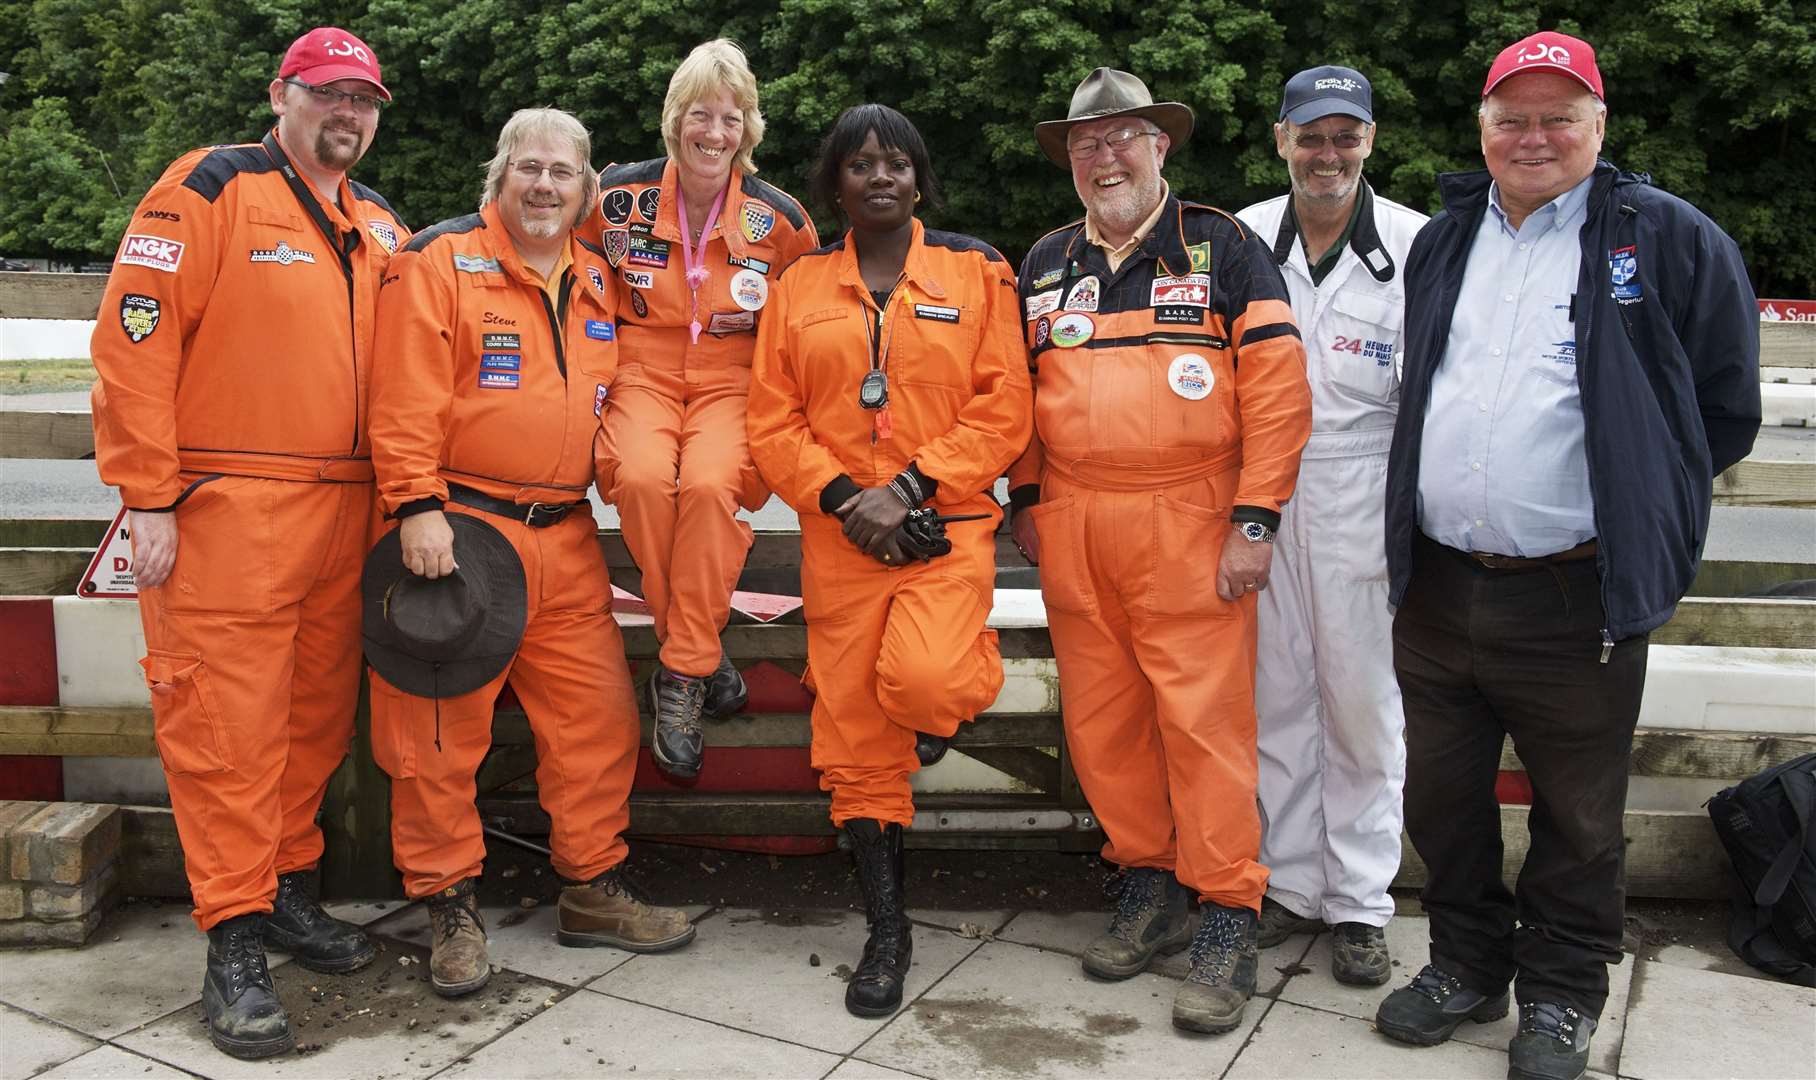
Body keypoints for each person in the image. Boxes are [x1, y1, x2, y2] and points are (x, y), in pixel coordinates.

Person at [1375, 32, 1760, 1080]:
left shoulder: (1668, 239)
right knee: (1438, 802)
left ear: (1599, 126)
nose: (1532, 136)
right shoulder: (1447, 236)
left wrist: (1641, 511)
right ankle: (1462, 965)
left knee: (1579, 818)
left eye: (1557, 117)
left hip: (1575, 591)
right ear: (1483, 129)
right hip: (1440, 582)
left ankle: (1559, 993)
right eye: (1512, 117)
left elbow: (1721, 413)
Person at [87, 27, 406, 1060]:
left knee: (312, 725)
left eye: (363, 100)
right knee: (224, 731)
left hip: (346, 514)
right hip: (226, 511)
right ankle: (231, 940)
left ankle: (285, 892)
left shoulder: (381, 223)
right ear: (283, 93)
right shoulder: (211, 187)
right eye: (328, 93)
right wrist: (148, 493)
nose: (346, 113)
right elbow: (133, 339)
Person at [1007, 68, 1312, 1034]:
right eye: (1087, 144)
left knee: (1204, 726)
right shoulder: (1046, 260)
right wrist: (1024, 497)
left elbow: (1277, 393)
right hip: (1077, 522)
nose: (1106, 157)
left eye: (1124, 138)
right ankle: (1150, 884)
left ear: (1160, 147)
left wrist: (1255, 520)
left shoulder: (1223, 246)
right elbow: (1014, 396)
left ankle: (1228, 909)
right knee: (1103, 724)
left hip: (1192, 521)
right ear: (1071, 160)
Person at [367, 108, 696, 1002]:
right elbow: (400, 398)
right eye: (529, 168)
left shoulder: (598, 278)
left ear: (588, 188)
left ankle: (590, 888)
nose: (545, 185)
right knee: (436, 736)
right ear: (499, 177)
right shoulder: (439, 261)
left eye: (563, 171)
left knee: (595, 723)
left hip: (566, 538)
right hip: (457, 534)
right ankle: (449, 905)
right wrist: (415, 505)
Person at [748, 103, 1032, 1018]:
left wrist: (909, 490)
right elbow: (771, 418)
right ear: (835, 181)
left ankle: (946, 701)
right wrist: (845, 501)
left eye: (897, 163)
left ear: (919, 179)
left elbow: (1003, 407)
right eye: (861, 163)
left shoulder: (976, 269)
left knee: (924, 681)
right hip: (841, 540)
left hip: (944, 531)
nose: (880, 177)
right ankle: (888, 926)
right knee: (857, 739)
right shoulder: (797, 286)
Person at [1235, 66, 1427, 985]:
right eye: (1310, 136)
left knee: (1361, 703)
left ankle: (1359, 900)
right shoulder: (1235, 239)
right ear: (1281, 140)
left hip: (1364, 485)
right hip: (1259, 491)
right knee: (1275, 695)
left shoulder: (1416, 244)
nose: (1327, 154)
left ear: (1371, 143)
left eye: (1346, 136)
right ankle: (1287, 884)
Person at [585, 39, 819, 779]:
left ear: (748, 128)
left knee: (714, 488)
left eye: (729, 117)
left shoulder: (780, 218)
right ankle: (703, 653)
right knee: (646, 481)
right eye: (698, 114)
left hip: (731, 380)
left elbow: (813, 316)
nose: (713, 133)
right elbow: (555, 254)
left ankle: (679, 674)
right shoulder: (615, 196)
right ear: (673, 120)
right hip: (640, 370)